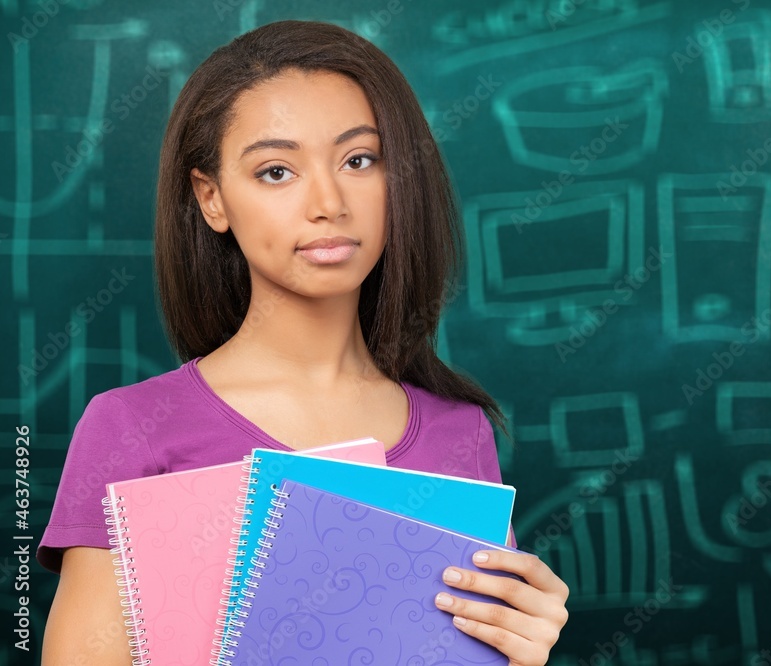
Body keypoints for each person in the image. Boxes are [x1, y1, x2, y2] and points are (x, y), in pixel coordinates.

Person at [39, 19, 569, 665]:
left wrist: (522, 651)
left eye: (359, 160)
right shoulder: (130, 428)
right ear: (212, 199)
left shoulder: (461, 434)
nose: (327, 202)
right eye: (276, 171)